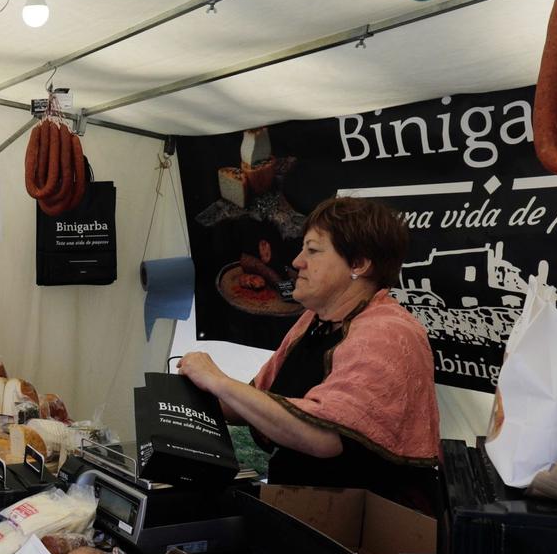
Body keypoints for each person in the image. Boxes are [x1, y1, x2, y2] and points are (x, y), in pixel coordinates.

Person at [178, 197, 440, 511]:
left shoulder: (388, 332)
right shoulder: (314, 321)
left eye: (313, 250)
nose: (299, 261)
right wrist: (184, 398)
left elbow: (323, 437)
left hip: (362, 526)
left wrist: (218, 381)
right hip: (303, 505)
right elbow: (257, 399)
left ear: (359, 264)